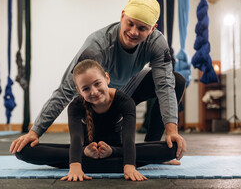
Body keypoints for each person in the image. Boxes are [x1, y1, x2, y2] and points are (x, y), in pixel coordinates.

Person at [10, 0, 186, 160]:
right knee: (95, 149)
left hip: (127, 92)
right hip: (98, 103)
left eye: (142, 28)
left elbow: (165, 86)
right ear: (122, 16)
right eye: (130, 23)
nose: (134, 32)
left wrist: (172, 130)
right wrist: (35, 132)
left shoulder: (156, 42)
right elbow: (65, 91)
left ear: (152, 29)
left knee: (176, 80)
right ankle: (142, 153)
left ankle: (152, 145)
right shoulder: (97, 46)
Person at [15, 59, 178, 181]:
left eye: (97, 83)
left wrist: (127, 164)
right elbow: (76, 139)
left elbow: (129, 139)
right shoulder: (76, 106)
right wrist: (76, 164)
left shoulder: (125, 101)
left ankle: (97, 160)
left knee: (173, 148)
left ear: (107, 78)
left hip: (118, 151)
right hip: (85, 152)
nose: (93, 91)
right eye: (85, 88)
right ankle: (96, 160)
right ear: (78, 90)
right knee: (23, 150)